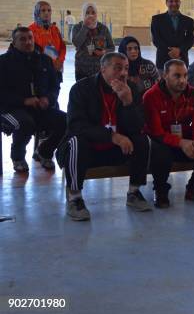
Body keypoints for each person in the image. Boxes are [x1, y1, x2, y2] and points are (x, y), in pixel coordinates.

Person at [56, 52, 152, 221]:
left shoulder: (131, 89)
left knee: (142, 140)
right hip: (87, 150)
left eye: (126, 69)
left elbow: (137, 128)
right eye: (117, 68)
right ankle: (74, 197)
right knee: (77, 142)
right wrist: (112, 136)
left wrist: (128, 102)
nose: (123, 73)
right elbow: (77, 126)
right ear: (103, 69)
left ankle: (134, 192)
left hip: (115, 151)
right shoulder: (81, 89)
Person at [144, 60, 194, 208]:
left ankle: (193, 188)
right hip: (163, 141)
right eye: (177, 76)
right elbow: (156, 132)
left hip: (185, 139)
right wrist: (181, 143)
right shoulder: (151, 96)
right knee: (159, 150)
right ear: (165, 76)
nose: (182, 80)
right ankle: (160, 190)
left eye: (185, 75)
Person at [0, 27, 66, 172]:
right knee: (25, 122)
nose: (28, 42)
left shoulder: (44, 60)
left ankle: (44, 151)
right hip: (10, 109)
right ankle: (18, 157)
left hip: (40, 107)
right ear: (14, 42)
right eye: (22, 39)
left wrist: (48, 99)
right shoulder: (4, 62)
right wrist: (24, 101)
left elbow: (54, 86)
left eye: (30, 38)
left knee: (66, 121)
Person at [151, 0, 194, 71]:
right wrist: (171, 51)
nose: (174, 4)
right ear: (166, 3)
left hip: (182, 59)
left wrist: (179, 50)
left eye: (176, 1)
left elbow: (190, 39)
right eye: (171, 1)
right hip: (163, 61)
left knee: (181, 83)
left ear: (180, 2)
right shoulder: (157, 20)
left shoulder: (188, 21)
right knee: (163, 83)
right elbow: (156, 39)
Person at [72, 2, 115, 81]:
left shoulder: (103, 28)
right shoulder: (77, 27)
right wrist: (85, 27)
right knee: (82, 92)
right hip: (82, 69)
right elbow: (76, 43)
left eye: (93, 12)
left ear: (96, 14)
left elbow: (112, 47)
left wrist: (104, 52)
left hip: (100, 69)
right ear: (83, 14)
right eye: (87, 13)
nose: (90, 15)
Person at [29, 0, 67, 81]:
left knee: (55, 92)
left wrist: (60, 61)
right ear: (37, 12)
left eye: (49, 10)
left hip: (56, 68)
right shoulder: (31, 30)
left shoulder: (55, 29)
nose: (46, 13)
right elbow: (30, 51)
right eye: (43, 10)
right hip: (40, 70)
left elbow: (62, 47)